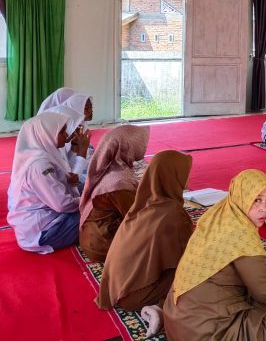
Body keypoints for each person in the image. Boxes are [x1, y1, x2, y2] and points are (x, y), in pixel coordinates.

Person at [163, 169, 266, 341]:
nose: (264, 208)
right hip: (209, 333)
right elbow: (262, 290)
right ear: (242, 197)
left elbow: (241, 262)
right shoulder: (242, 234)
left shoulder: (219, 216)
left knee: (261, 298)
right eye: (256, 200)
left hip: (179, 322)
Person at [96, 150, 193, 336]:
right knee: (204, 277)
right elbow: (187, 259)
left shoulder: (143, 202)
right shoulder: (173, 213)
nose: (188, 177)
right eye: (184, 172)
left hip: (116, 288)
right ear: (172, 176)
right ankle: (161, 309)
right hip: (138, 294)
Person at [7, 112, 91, 253]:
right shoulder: (39, 165)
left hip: (39, 221)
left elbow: (68, 177)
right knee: (96, 214)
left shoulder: (44, 152)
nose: (67, 135)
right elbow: (62, 204)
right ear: (46, 133)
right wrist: (87, 201)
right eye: (62, 131)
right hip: (41, 233)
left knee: (92, 200)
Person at [79, 125, 149, 262]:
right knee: (160, 231)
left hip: (93, 237)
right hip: (103, 244)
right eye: (141, 143)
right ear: (128, 147)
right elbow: (139, 218)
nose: (144, 147)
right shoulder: (119, 181)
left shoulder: (108, 167)